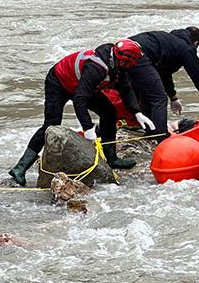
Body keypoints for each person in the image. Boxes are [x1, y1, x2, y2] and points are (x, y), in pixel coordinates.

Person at [8, 39, 156, 186]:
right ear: (122, 59)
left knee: (109, 112)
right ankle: (19, 168)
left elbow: (126, 89)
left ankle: (111, 159)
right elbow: (80, 100)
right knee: (51, 125)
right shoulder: (97, 67)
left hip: (82, 85)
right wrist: (88, 128)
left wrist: (137, 112)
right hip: (59, 82)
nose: (131, 66)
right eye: (129, 63)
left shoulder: (118, 66)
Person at [128, 27, 199, 143]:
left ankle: (150, 133)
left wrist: (173, 97)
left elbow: (164, 73)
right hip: (138, 54)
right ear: (196, 42)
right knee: (159, 98)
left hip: (126, 50)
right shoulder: (186, 48)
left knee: (149, 93)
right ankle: (161, 139)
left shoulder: (170, 41)